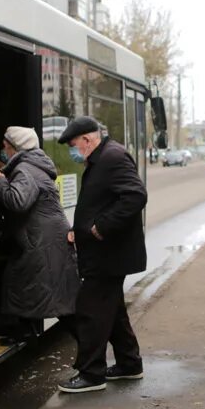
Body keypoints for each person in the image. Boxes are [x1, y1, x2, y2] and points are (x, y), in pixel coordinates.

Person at [56, 116, 147, 393]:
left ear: (87, 140)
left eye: (73, 145)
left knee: (90, 311)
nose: (73, 151)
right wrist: (80, 230)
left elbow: (135, 195)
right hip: (104, 253)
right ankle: (130, 364)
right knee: (114, 311)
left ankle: (91, 373)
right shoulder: (101, 158)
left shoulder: (112, 157)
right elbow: (100, 200)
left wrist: (99, 229)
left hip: (108, 254)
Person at [0, 126, 79, 337]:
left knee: (55, 300)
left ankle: (92, 356)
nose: (3, 150)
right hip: (45, 241)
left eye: (5, 146)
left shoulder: (24, 169)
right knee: (26, 285)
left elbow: (18, 201)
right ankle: (24, 329)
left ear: (15, 147)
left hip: (43, 243)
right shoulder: (33, 165)